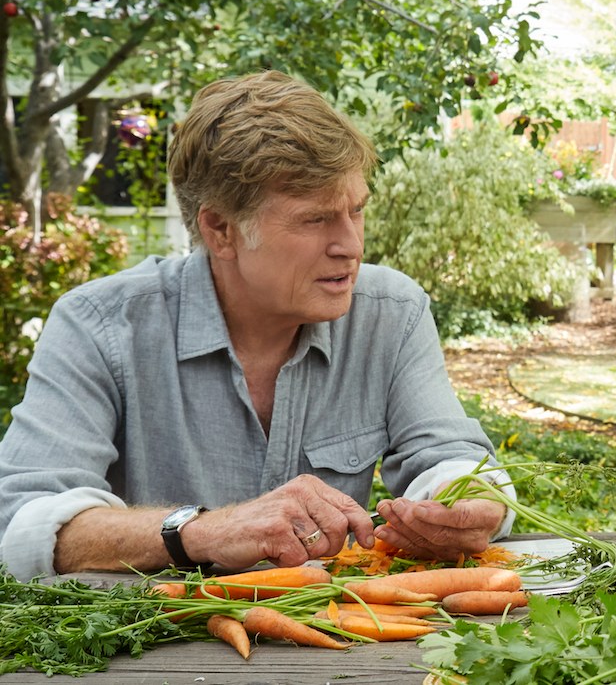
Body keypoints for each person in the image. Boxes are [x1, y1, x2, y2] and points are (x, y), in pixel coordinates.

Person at [0, 71, 514, 581]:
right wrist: (202, 533)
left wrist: (467, 499)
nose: (351, 245)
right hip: (145, 645)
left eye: (356, 211)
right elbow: (20, 523)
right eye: (314, 219)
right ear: (220, 229)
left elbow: (448, 455)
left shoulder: (391, 312)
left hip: (335, 647)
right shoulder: (101, 325)